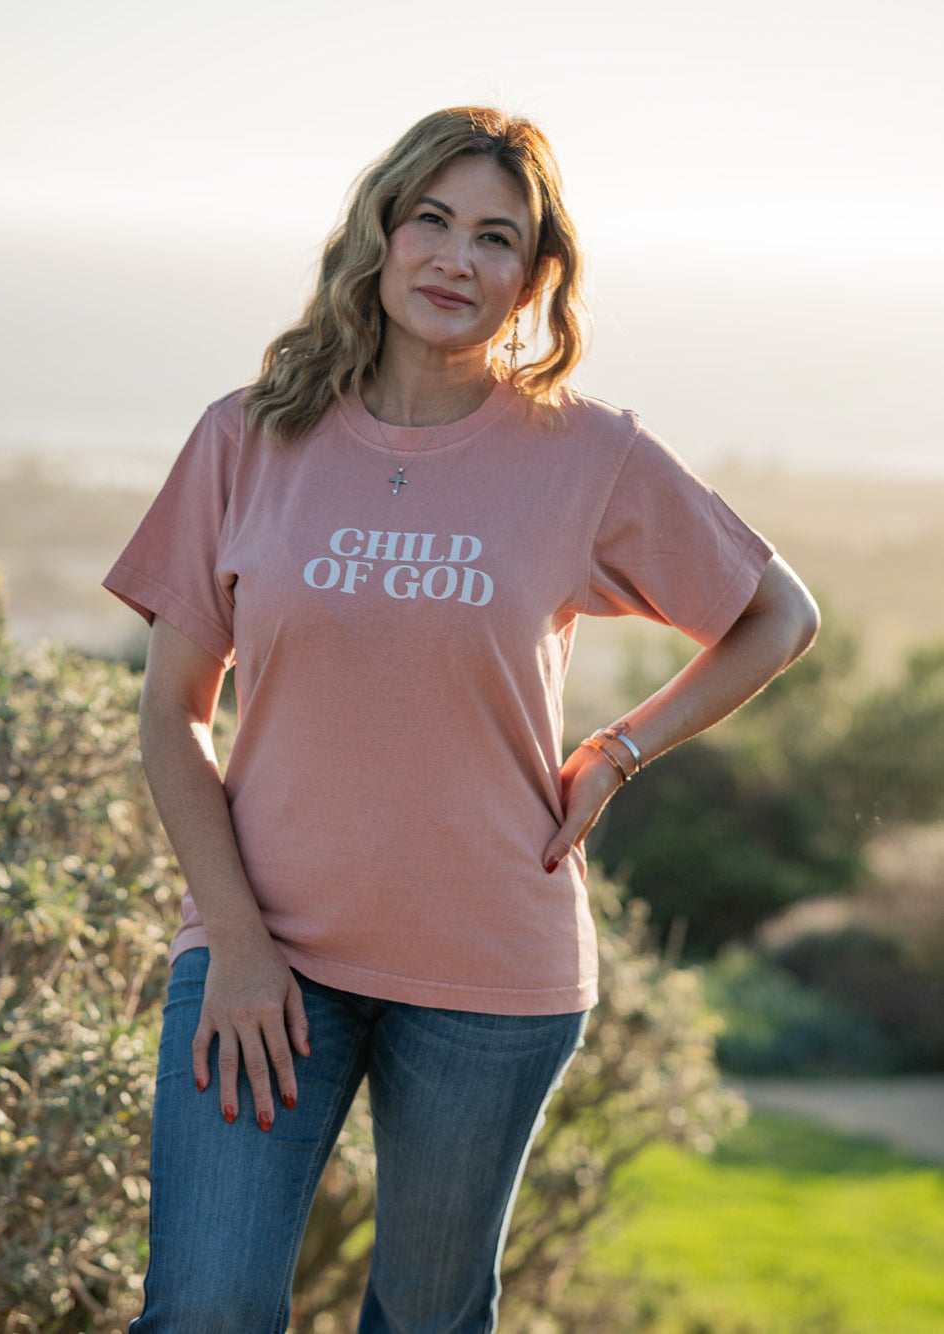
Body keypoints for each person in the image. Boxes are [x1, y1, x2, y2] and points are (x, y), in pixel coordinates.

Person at [103, 106, 819, 1334]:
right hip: (263, 947)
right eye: (429, 219)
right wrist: (233, 937)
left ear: (533, 278)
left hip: (490, 969)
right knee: (207, 1308)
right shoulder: (249, 434)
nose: (453, 257)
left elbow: (777, 612)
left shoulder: (583, 454)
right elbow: (171, 716)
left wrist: (619, 749)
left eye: (494, 236)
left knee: (429, 1319)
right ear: (378, 236)